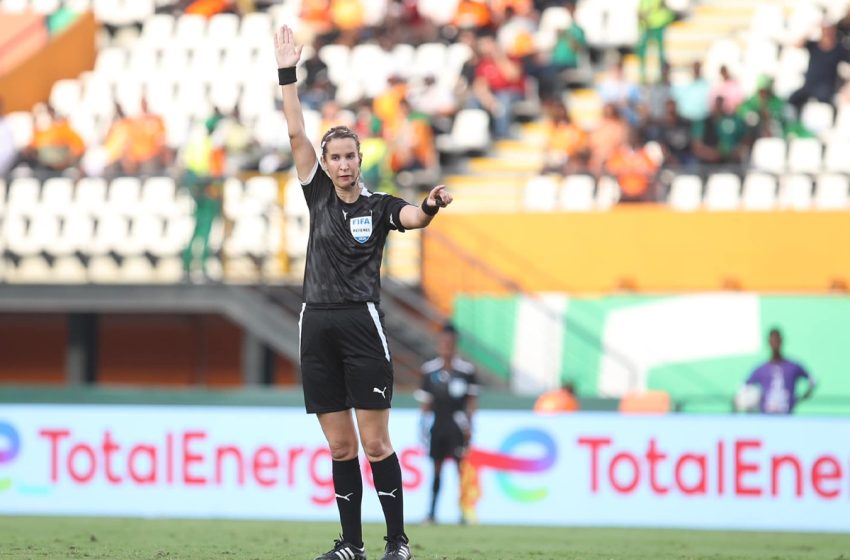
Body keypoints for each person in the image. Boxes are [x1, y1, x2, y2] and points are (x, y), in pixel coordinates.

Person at [274, 25, 453, 560]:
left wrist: (433, 205)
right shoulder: (319, 198)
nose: (345, 164)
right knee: (339, 445)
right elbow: (295, 133)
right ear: (325, 166)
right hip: (316, 324)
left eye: (351, 156)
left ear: (360, 159)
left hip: (360, 325)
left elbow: (413, 217)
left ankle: (396, 543)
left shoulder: (378, 207)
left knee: (375, 443)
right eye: (337, 158)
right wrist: (287, 74)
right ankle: (350, 544)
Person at [415, 322, 479, 526]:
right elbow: (425, 404)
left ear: (455, 344)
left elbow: (471, 402)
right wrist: (423, 425)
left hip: (457, 423)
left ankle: (464, 513)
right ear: (438, 344)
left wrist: (470, 426)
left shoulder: (466, 370)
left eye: (450, 343)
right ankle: (432, 513)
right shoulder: (429, 370)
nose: (446, 346)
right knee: (437, 468)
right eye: (443, 342)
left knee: (460, 469)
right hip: (438, 423)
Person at [740, 328, 816, 414]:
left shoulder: (793, 366)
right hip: (766, 417)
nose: (775, 344)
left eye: (777, 340)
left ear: (781, 341)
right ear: (769, 342)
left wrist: (801, 398)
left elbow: (812, 381)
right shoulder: (761, 369)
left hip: (787, 416)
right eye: (773, 341)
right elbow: (745, 387)